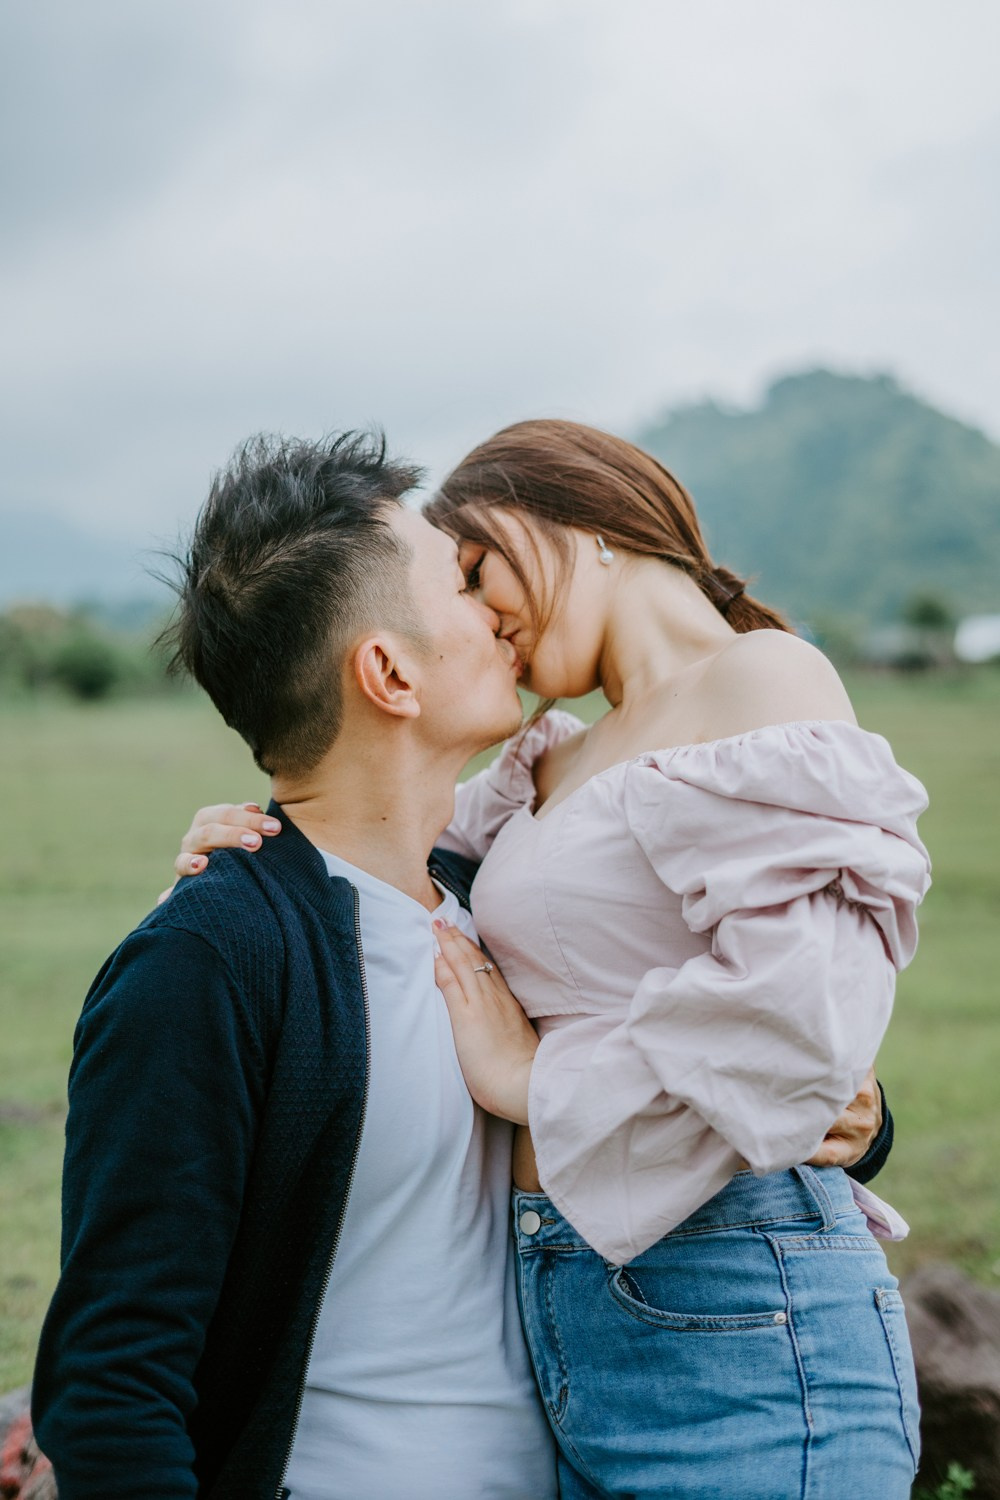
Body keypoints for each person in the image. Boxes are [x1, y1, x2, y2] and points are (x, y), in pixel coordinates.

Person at [168, 420, 928, 1499]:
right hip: (570, 1319)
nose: (484, 618)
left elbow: (803, 1013)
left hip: (738, 1301)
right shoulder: (554, 758)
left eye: (477, 571)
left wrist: (535, 1081)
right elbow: (374, 823)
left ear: (574, 518)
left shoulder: (761, 677)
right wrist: (254, 841)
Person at [31, 432, 559, 1500]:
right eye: (462, 583)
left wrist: (854, 1125)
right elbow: (111, 1385)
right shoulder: (205, 963)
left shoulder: (508, 900)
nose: (501, 609)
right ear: (389, 672)